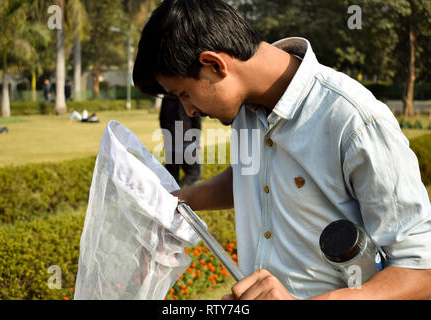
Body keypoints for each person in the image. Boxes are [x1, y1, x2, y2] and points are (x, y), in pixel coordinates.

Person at [133, 0, 431, 300]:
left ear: (215, 64)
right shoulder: (246, 111)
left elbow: (420, 273)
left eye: (184, 93)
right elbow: (252, 174)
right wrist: (178, 202)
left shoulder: (353, 120)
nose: (189, 110)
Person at [159, 94, 202, 187]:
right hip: (187, 141)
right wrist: (197, 140)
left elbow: (162, 119)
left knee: (172, 177)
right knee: (193, 173)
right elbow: (196, 119)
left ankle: (175, 194)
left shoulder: (167, 98)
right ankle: (181, 193)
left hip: (171, 142)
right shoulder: (187, 96)